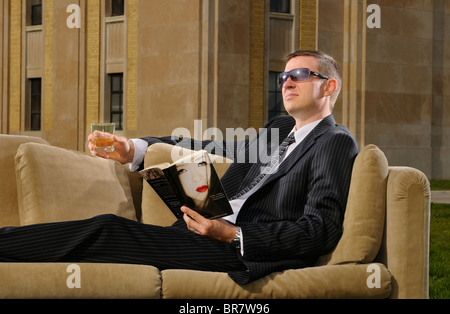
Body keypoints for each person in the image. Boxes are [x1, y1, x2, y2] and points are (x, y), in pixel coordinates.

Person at [0, 50, 358, 285]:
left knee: (108, 229)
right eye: (283, 77)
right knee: (108, 238)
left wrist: (231, 235)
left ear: (329, 86)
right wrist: (136, 149)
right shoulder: (279, 129)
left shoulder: (333, 142)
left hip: (235, 249)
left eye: (299, 74)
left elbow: (319, 229)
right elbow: (214, 147)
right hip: (202, 228)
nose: (287, 82)